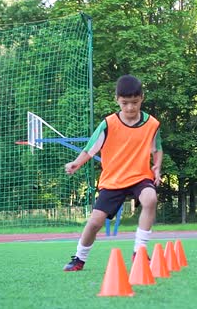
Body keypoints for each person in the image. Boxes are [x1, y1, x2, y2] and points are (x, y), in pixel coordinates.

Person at [63, 74, 163, 271]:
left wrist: (157, 166)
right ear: (117, 99)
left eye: (134, 102)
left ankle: (139, 253)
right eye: (125, 103)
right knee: (95, 223)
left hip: (139, 176)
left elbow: (157, 148)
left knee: (150, 199)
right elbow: (91, 148)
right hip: (113, 180)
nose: (130, 108)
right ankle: (79, 258)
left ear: (142, 98)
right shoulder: (108, 124)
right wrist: (77, 163)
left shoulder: (152, 124)